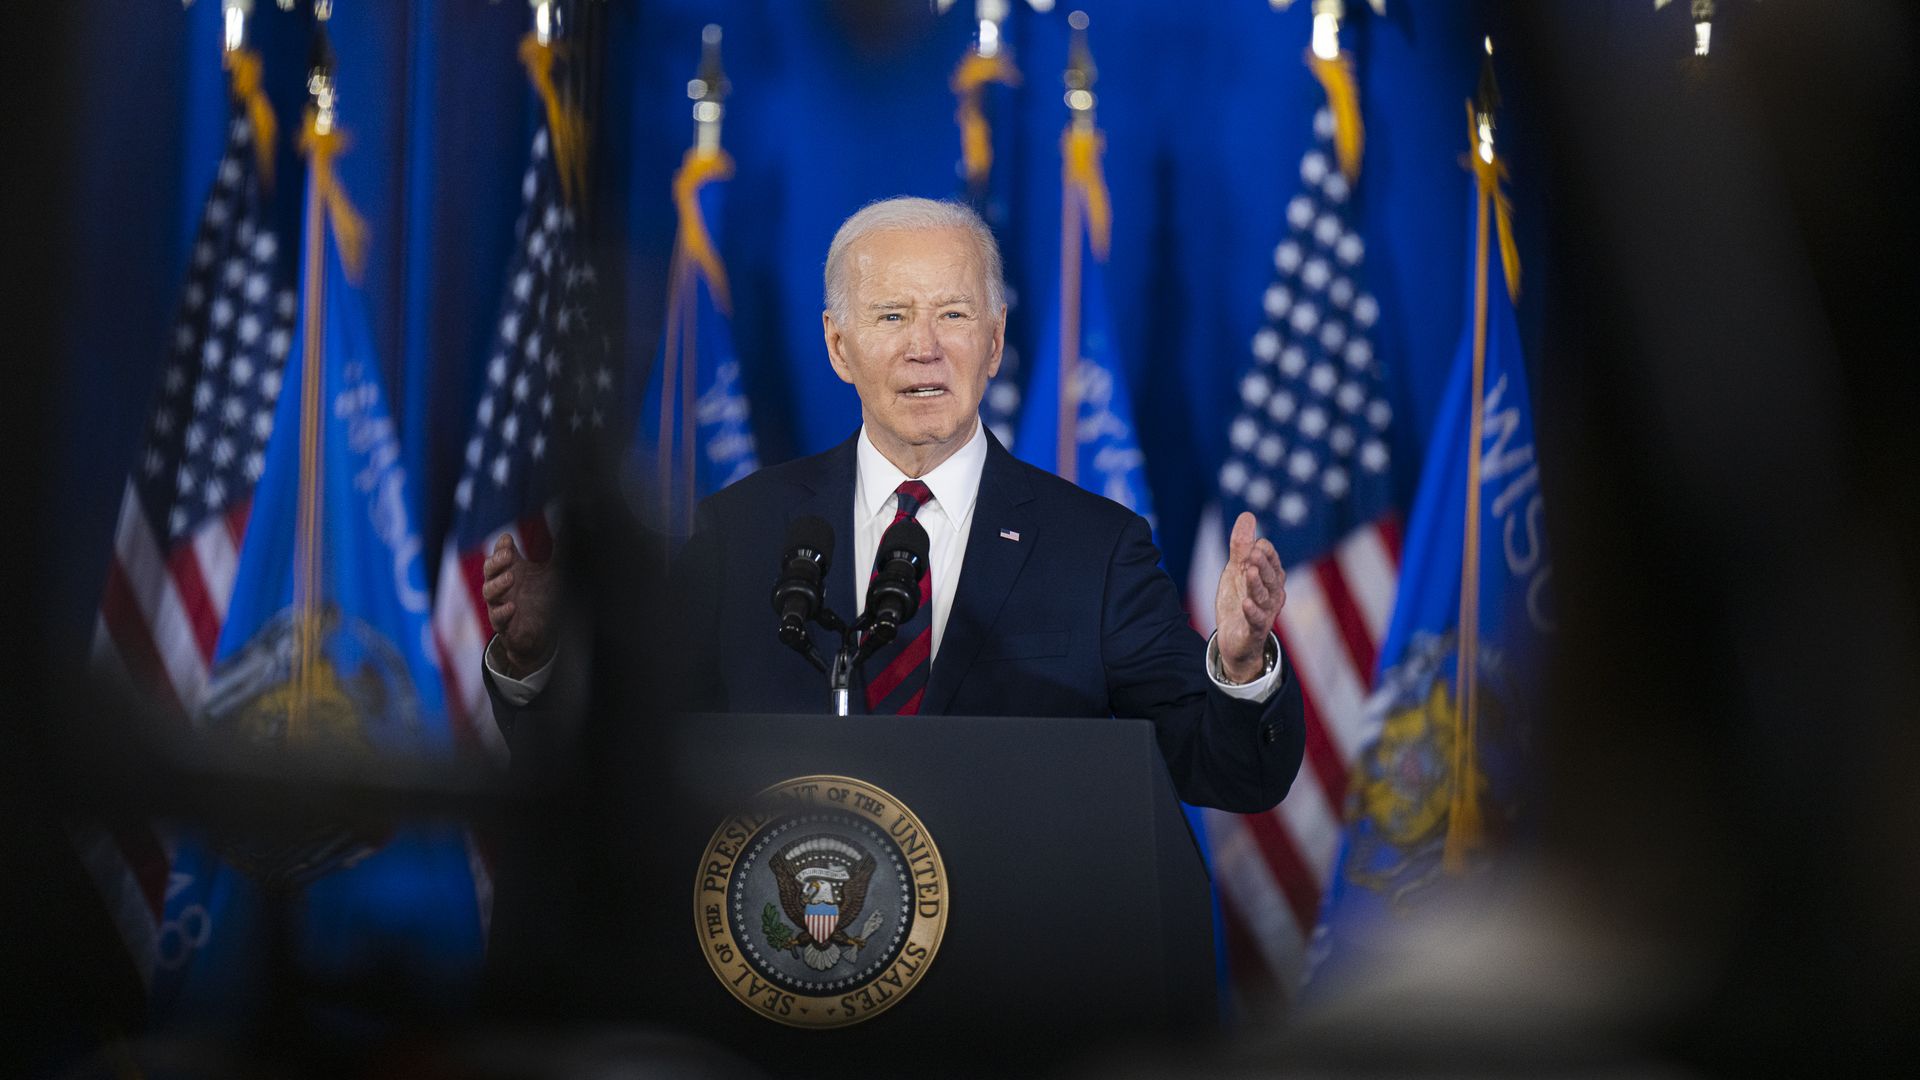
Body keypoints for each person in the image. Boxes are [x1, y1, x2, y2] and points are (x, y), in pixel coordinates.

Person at [481, 197, 1303, 812]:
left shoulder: (1097, 550)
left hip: (1006, 980)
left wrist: (1238, 668)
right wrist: (538, 662)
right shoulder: (742, 533)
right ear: (840, 345)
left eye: (953, 314)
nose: (924, 347)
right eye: (892, 316)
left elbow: (1230, 773)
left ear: (994, 340)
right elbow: (624, 756)